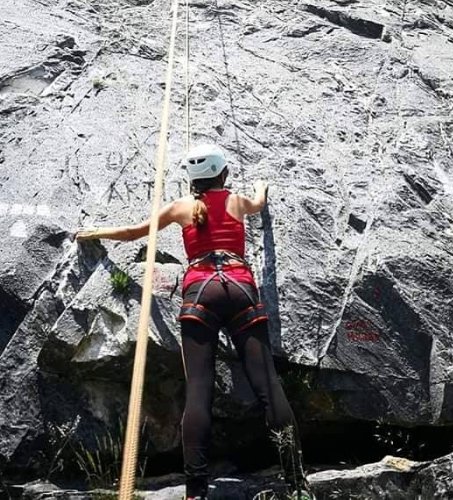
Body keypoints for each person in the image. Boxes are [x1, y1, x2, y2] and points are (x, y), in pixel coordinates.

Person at [76, 144, 307, 500]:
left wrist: (97, 232)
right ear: (223, 175)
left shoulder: (180, 207)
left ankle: (195, 492)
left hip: (200, 291)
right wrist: (261, 188)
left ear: (192, 179)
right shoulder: (236, 201)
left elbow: (136, 232)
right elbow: (259, 205)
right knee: (268, 387)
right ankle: (296, 483)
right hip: (240, 287)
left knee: (198, 392)